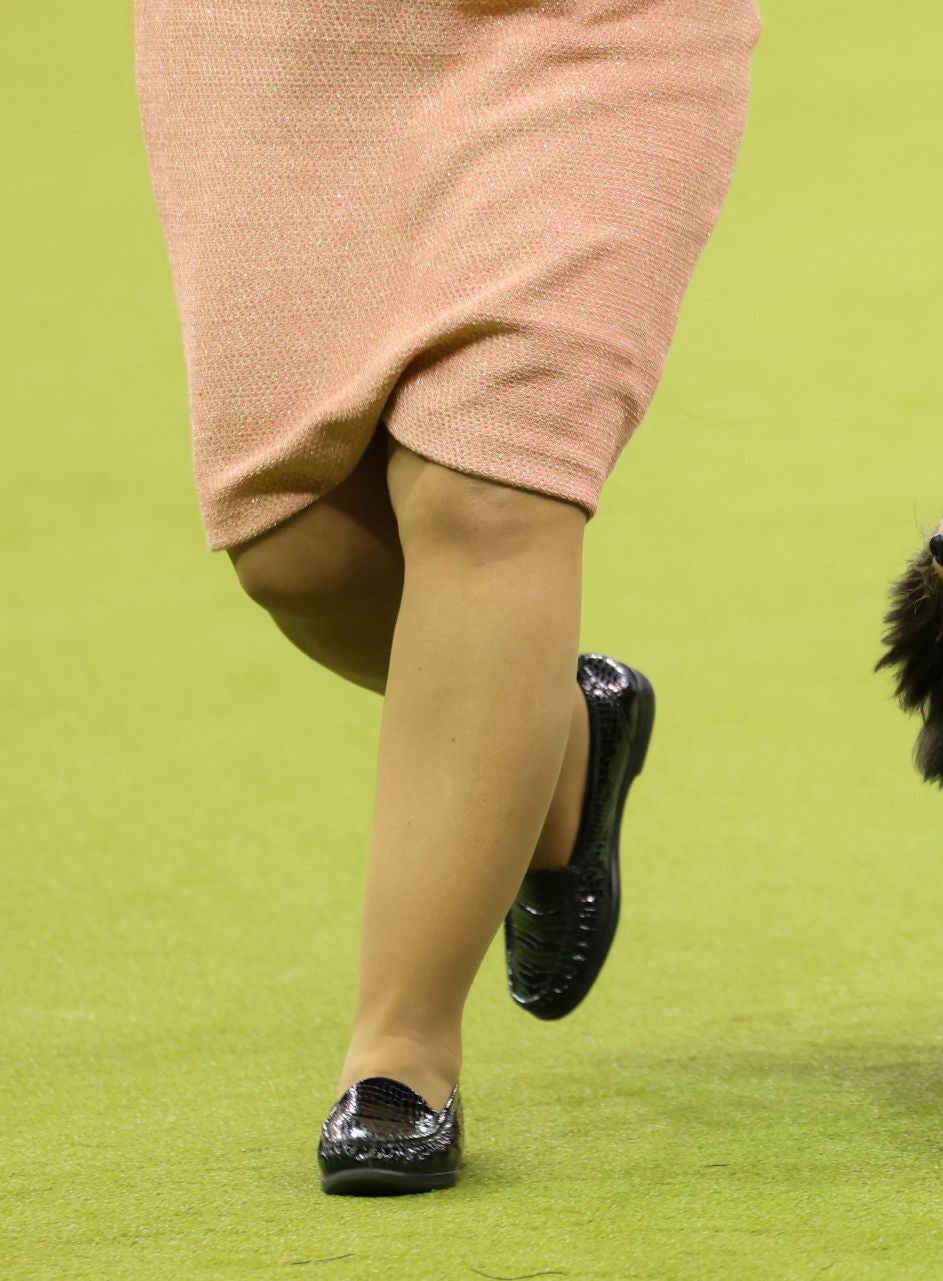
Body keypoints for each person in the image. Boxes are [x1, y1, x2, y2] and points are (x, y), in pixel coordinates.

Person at [134, 0, 759, 1195]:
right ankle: (558, 736)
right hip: (278, 39)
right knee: (293, 544)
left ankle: (401, 1054)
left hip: (595, 27)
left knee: (492, 490)